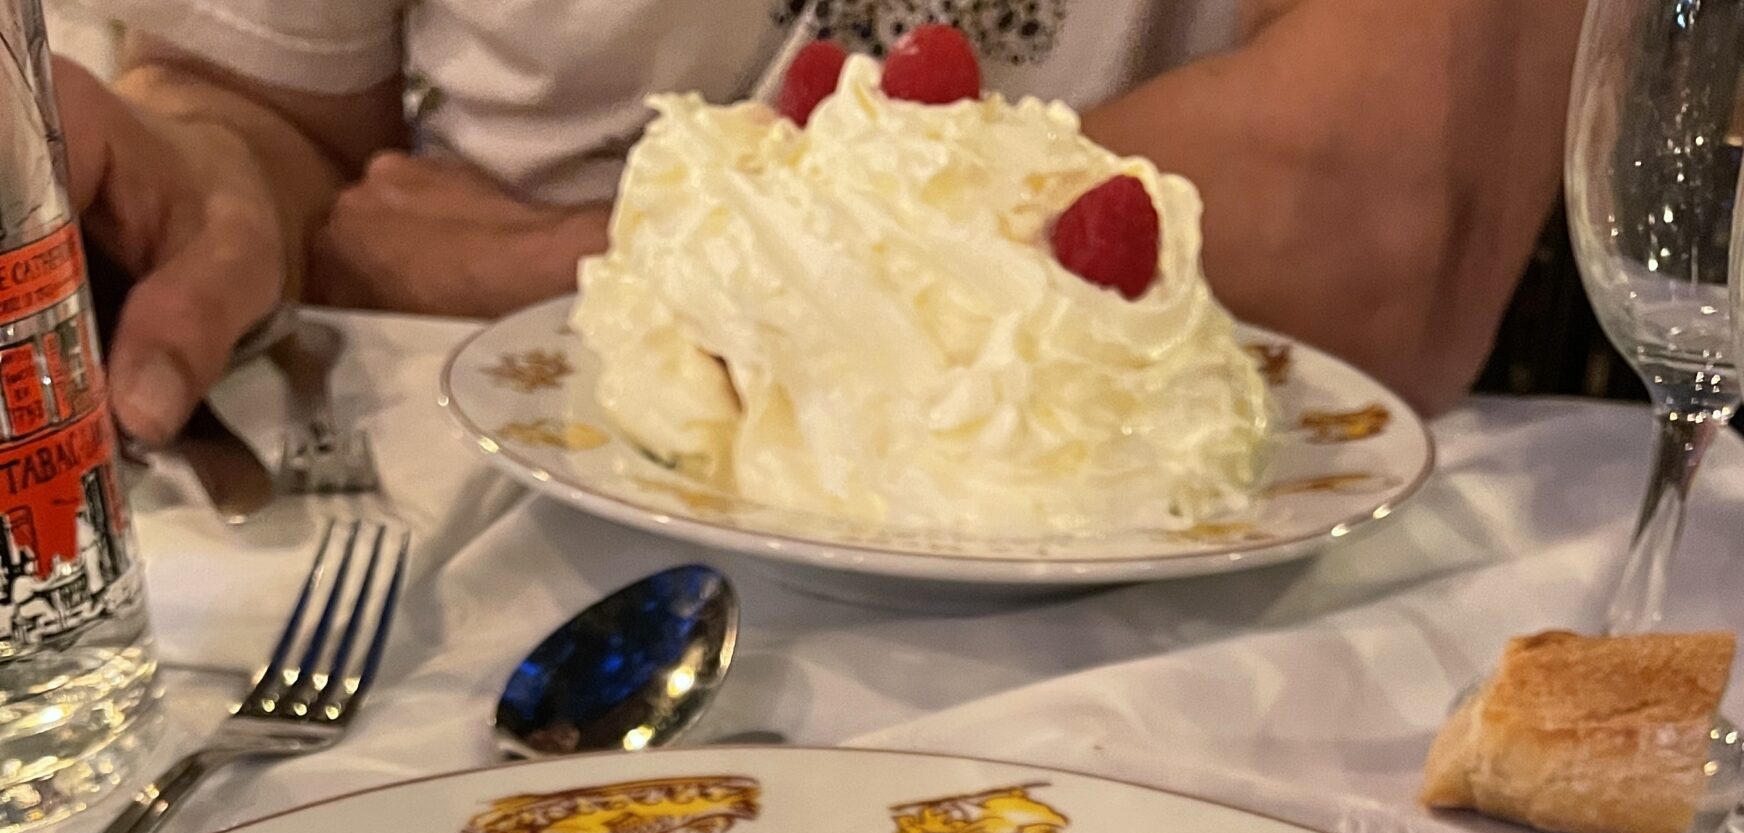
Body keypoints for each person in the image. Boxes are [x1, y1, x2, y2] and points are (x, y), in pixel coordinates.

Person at [55, 0, 1586, 449]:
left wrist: (585, 263)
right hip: (511, 489)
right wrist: (209, 183)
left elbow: (1390, 239)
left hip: (1151, 528)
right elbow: (288, 132)